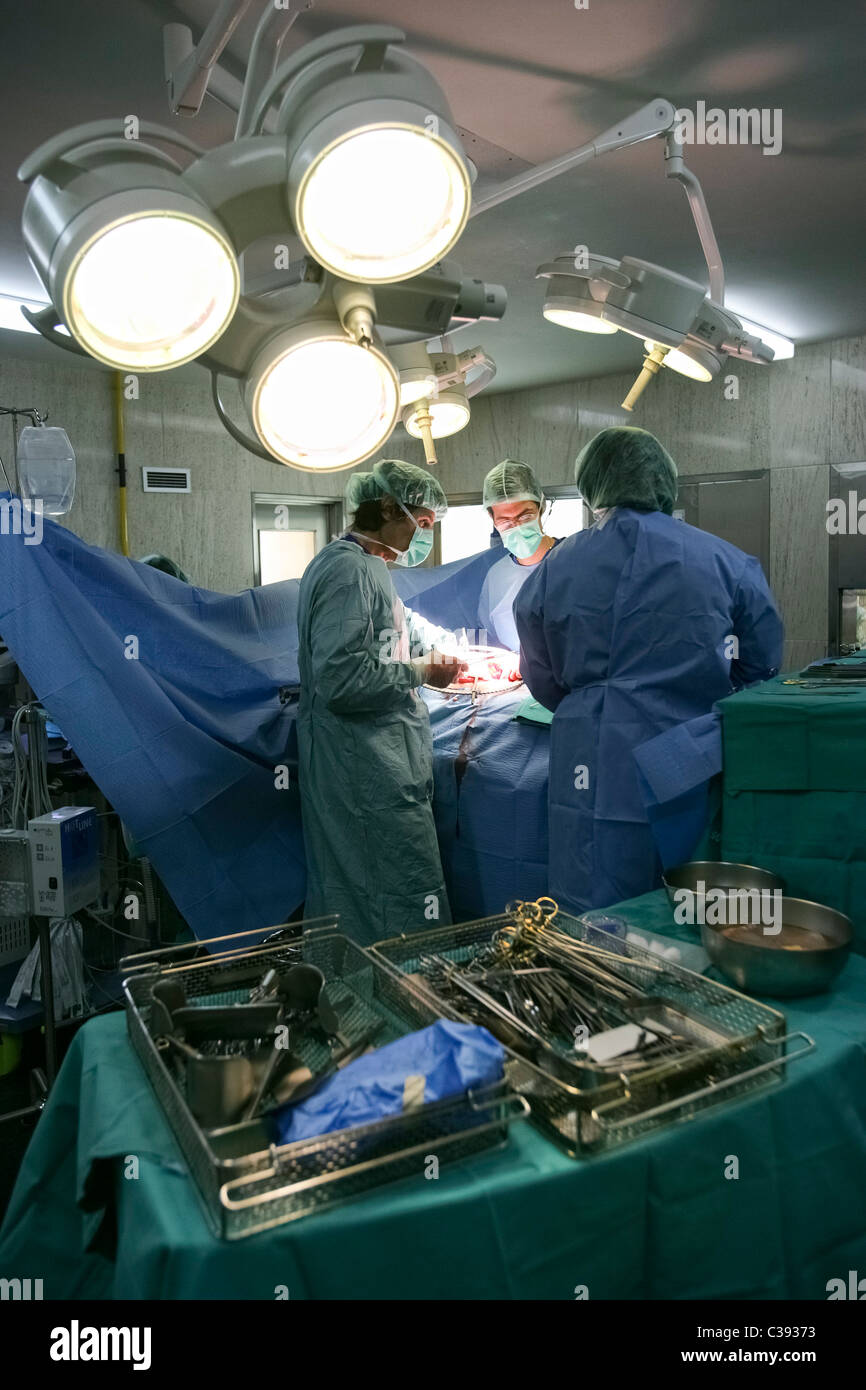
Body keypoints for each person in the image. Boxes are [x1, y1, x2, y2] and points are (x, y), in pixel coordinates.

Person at [514, 426, 784, 914]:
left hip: (589, 759)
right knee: (687, 901)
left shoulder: (555, 567)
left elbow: (542, 676)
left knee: (592, 904)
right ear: (664, 481)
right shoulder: (725, 562)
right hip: (688, 753)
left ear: (591, 485)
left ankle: (592, 980)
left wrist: (590, 702)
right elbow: (761, 671)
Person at [297, 458, 465, 945]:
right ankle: (396, 1005)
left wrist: (448, 647)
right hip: (363, 772)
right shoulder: (347, 573)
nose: (425, 538)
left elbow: (398, 628)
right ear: (391, 509)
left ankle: (387, 999)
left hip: (377, 764)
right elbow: (341, 679)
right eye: (424, 524)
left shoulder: (367, 565)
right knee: (389, 898)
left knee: (384, 893)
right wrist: (423, 671)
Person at [478, 458, 557, 650]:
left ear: (541, 507)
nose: (518, 527)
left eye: (525, 516)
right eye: (506, 521)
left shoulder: (573, 561)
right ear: (493, 520)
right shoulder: (496, 577)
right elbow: (491, 640)